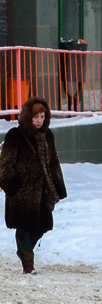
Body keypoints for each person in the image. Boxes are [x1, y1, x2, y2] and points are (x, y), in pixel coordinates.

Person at [0, 97, 67, 274]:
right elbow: (6, 164)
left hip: (44, 189)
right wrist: (12, 185)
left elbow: (53, 162)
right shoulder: (15, 135)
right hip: (22, 192)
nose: (39, 121)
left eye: (42, 117)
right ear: (28, 116)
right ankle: (28, 265)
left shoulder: (47, 135)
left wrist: (58, 186)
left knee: (43, 225)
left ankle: (24, 251)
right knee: (24, 227)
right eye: (36, 117)